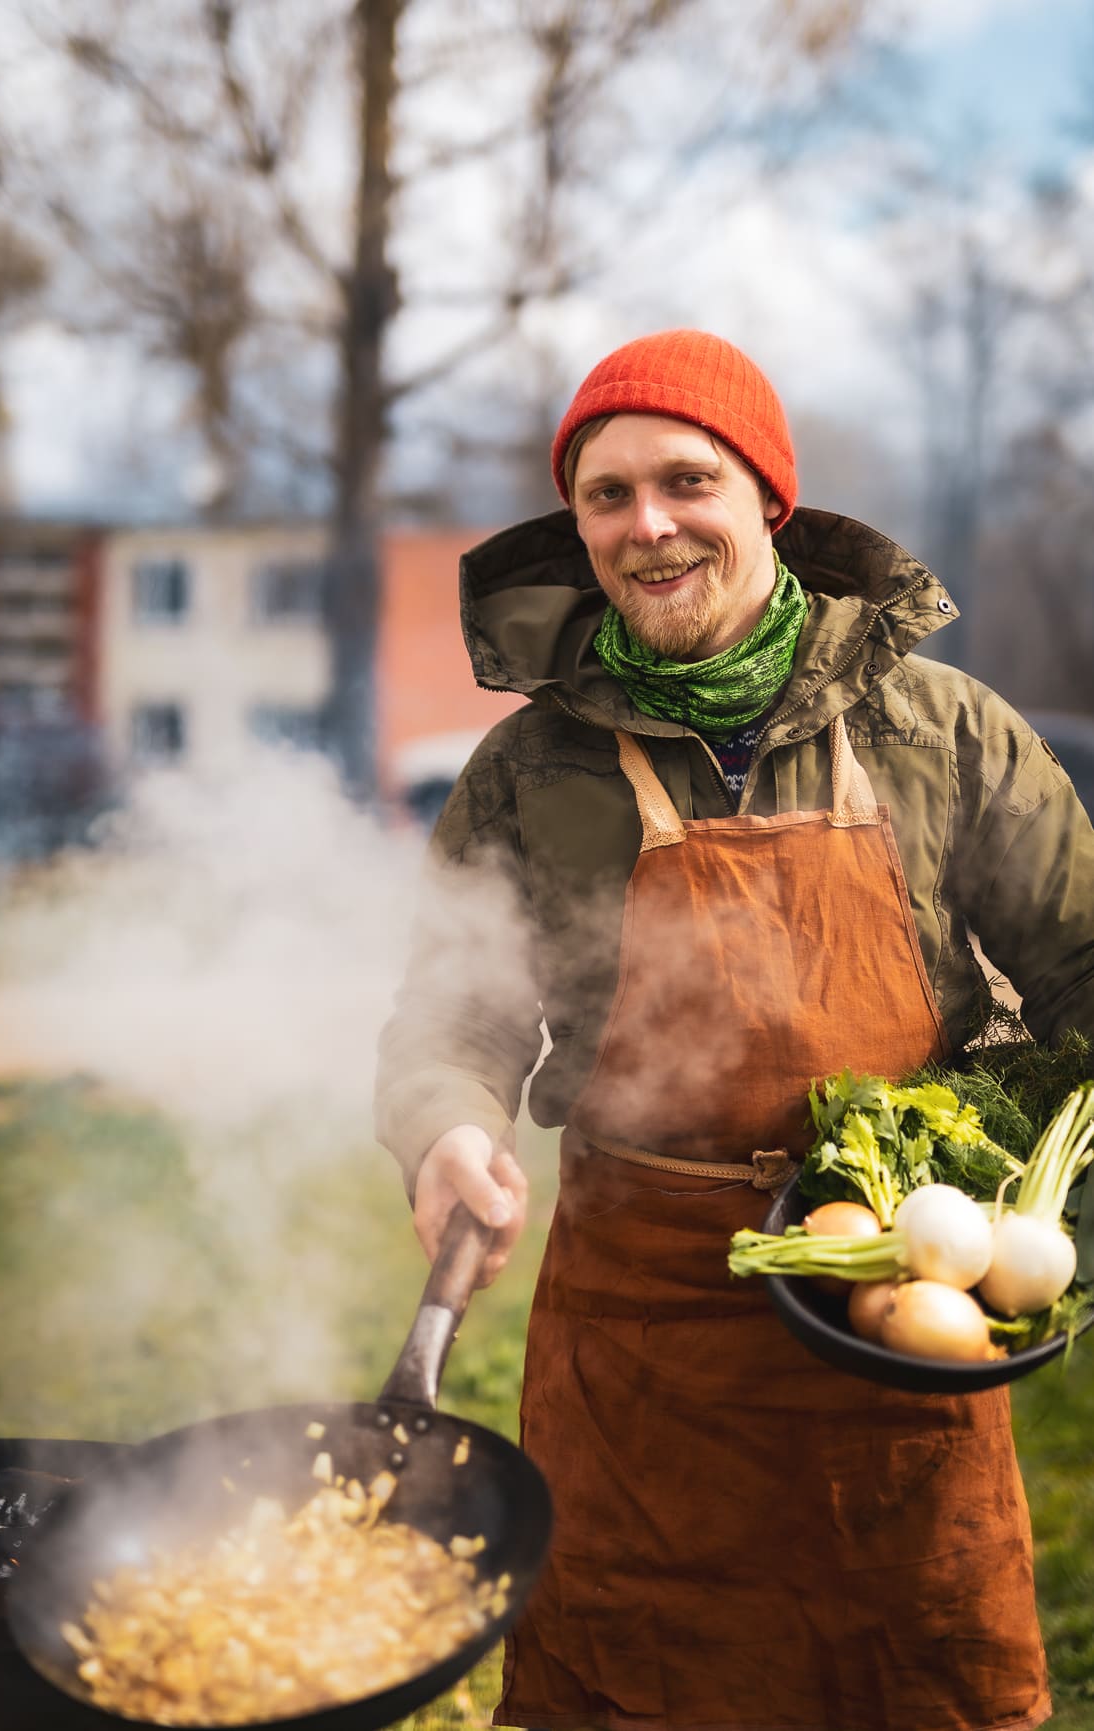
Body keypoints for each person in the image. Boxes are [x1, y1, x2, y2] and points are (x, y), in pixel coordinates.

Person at [376, 328, 1094, 1731]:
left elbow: (1082, 973)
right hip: (637, 1342)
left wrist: (1029, 1216)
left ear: (766, 494)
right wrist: (447, 1129)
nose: (646, 525)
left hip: (901, 1309)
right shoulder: (531, 766)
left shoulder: (938, 730)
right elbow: (449, 1020)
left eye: (684, 480)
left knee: (914, 1687)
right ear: (574, 524)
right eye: (605, 495)